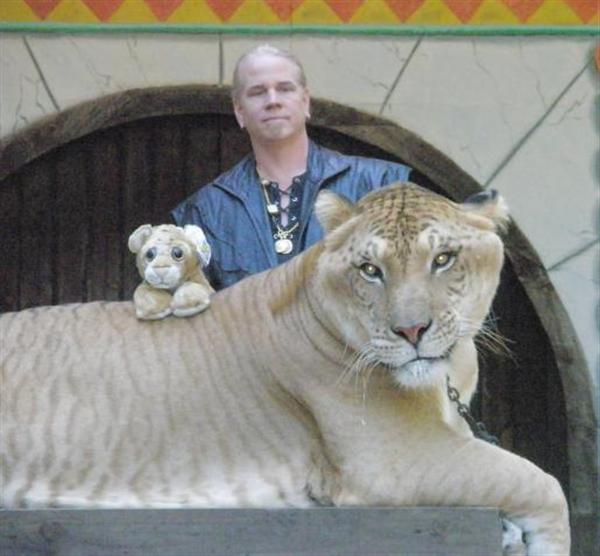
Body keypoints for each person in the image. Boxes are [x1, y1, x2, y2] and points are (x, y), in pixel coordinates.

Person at [172, 45, 413, 290]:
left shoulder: (383, 184)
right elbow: (195, 320)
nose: (273, 101)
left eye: (285, 89)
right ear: (239, 111)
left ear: (305, 102)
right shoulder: (206, 211)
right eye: (257, 92)